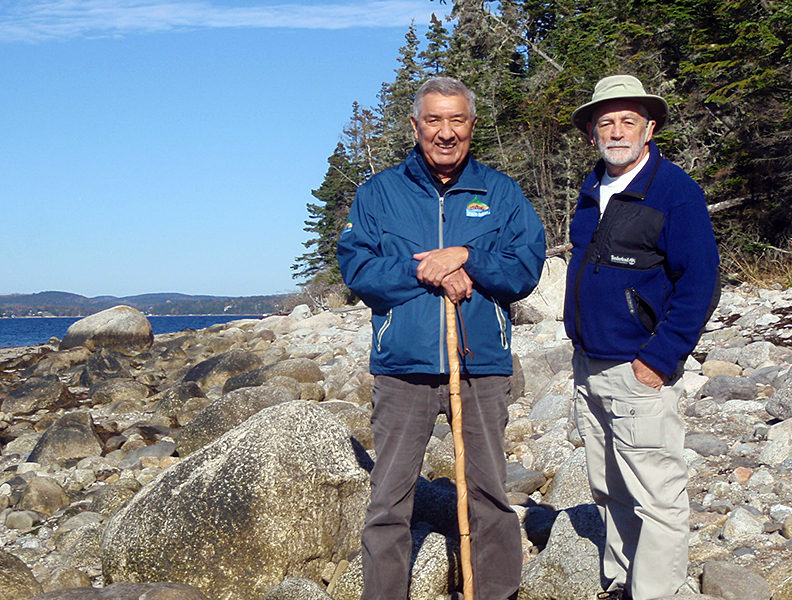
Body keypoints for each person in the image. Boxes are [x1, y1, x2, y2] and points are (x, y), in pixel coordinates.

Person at [337, 77, 545, 600]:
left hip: (481, 368)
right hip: (402, 367)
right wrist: (430, 269)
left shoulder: (501, 193)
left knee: (489, 496)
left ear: (472, 126)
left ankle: (497, 594)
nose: (445, 132)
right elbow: (358, 269)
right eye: (434, 120)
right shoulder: (379, 193)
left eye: (457, 120)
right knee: (389, 501)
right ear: (415, 126)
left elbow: (525, 268)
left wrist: (468, 256)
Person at [564, 75, 720, 600]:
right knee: (609, 487)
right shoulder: (590, 191)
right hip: (589, 364)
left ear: (649, 128)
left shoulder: (673, 190)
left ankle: (658, 592)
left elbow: (699, 281)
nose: (616, 130)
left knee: (657, 494)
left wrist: (661, 357)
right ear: (591, 132)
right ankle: (621, 582)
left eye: (628, 120)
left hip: (639, 366)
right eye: (604, 121)